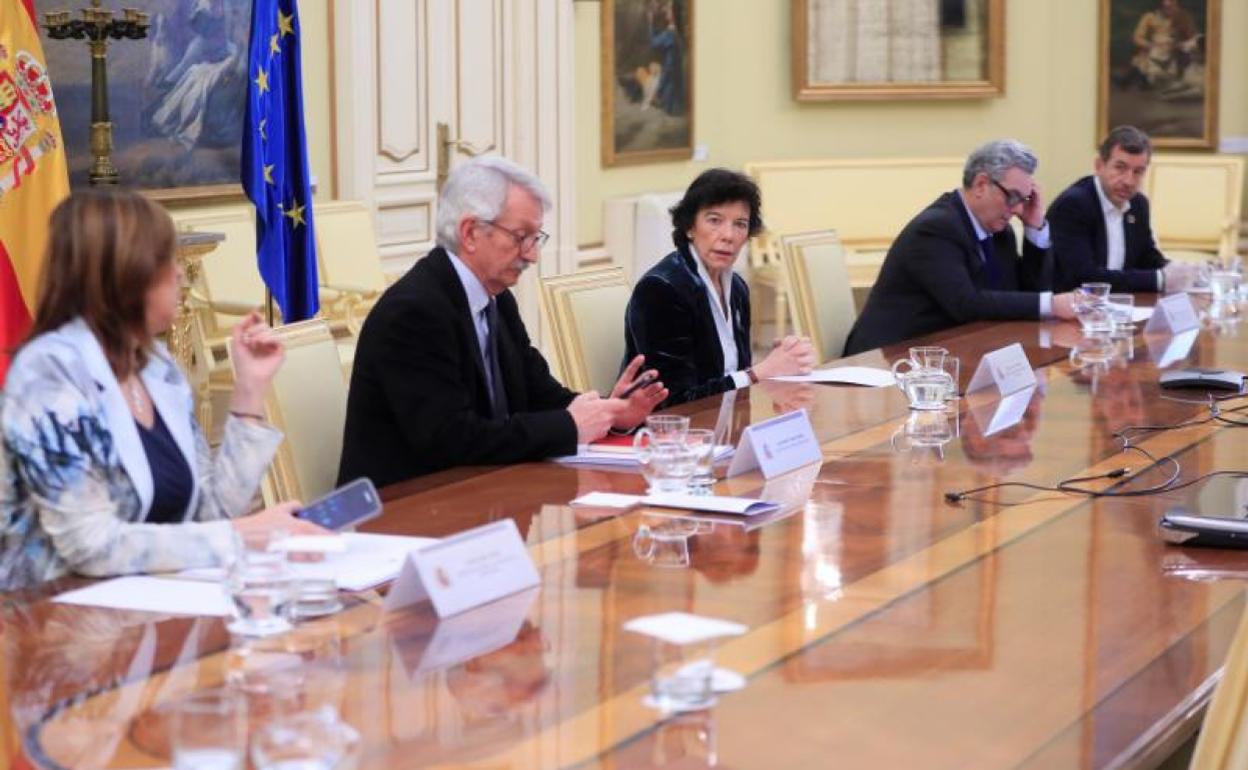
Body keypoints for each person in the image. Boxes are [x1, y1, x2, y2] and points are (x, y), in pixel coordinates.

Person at [0, 188, 317, 591]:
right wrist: (240, 535)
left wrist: (250, 393)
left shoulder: (155, 368)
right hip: (48, 620)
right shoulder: (49, 373)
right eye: (168, 262)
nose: (181, 274)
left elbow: (212, 514)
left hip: (150, 609)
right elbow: (90, 545)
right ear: (130, 276)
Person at [337, 156, 668, 488]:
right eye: (521, 236)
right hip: (404, 512)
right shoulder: (414, 312)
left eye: (536, 238)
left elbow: (539, 392)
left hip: (480, 493)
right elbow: (450, 439)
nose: (532, 255)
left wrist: (610, 412)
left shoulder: (496, 298)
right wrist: (569, 426)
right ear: (470, 233)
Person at [843, 139, 1078, 356]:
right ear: (981, 184)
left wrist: (1034, 227)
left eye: (1024, 200)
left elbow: (1023, 297)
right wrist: (1051, 305)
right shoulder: (936, 229)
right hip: (886, 359)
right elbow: (966, 304)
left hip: (949, 353)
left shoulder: (999, 232)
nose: (1017, 209)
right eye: (1013, 197)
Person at [622, 168, 815, 408]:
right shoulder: (662, 290)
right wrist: (760, 372)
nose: (728, 235)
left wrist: (780, 370)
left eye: (740, 224)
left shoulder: (737, 288)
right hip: (664, 436)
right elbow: (675, 402)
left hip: (722, 430)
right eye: (714, 220)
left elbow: (735, 377)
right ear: (690, 227)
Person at [1048, 125, 1197, 293]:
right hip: (1072, 309)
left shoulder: (1138, 204)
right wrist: (1159, 279)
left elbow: (1146, 257)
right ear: (1099, 166)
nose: (1129, 181)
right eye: (1120, 168)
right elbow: (1084, 277)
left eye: (1138, 172)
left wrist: (1180, 271)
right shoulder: (1073, 205)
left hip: (1119, 306)